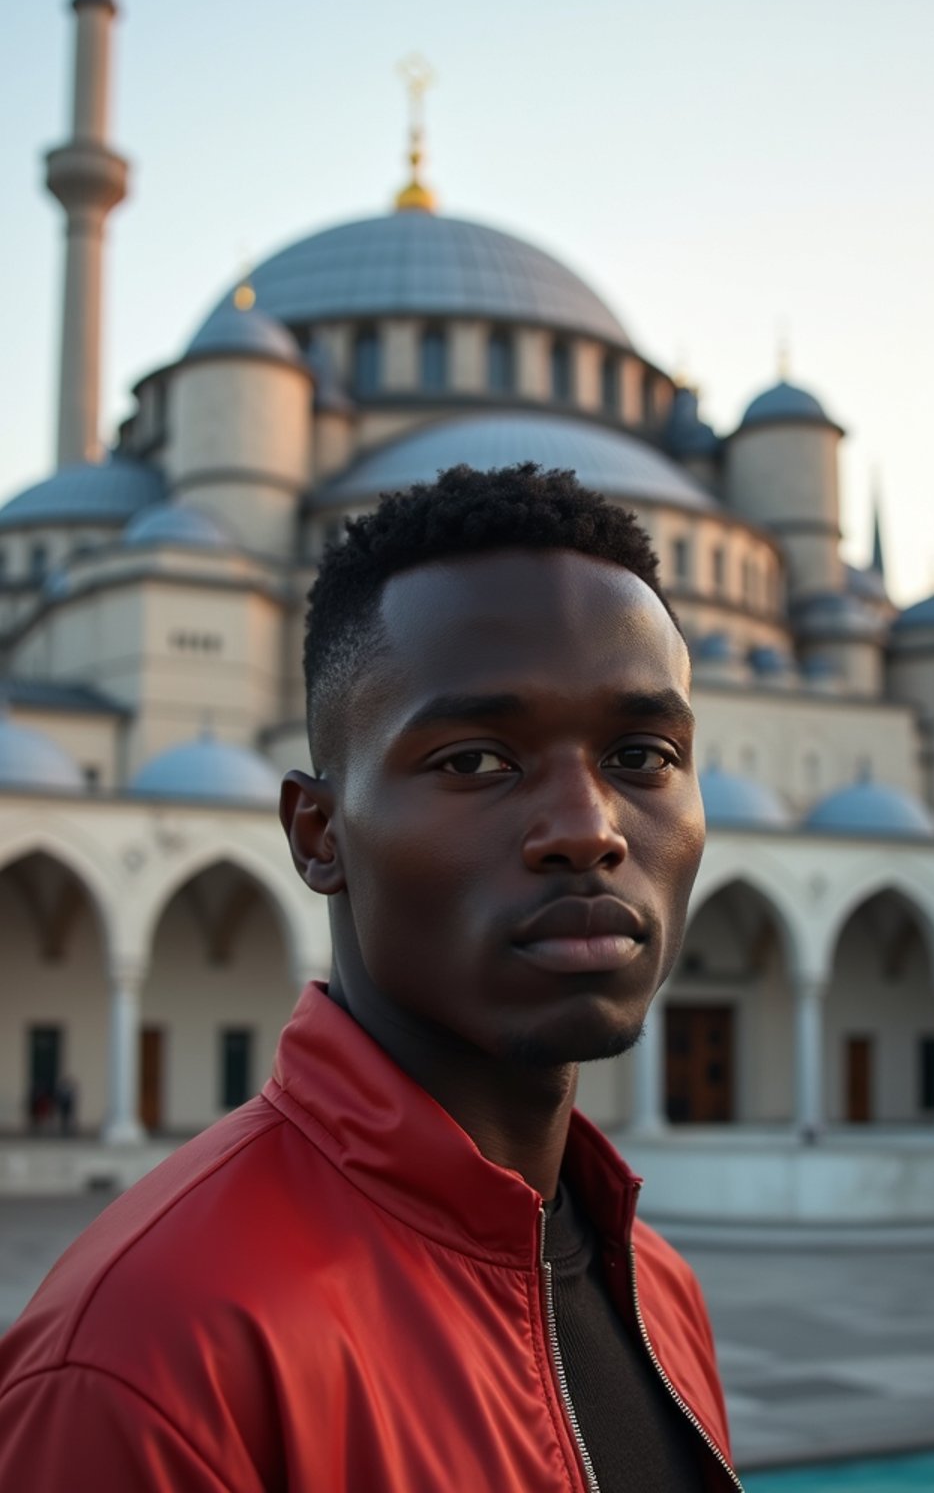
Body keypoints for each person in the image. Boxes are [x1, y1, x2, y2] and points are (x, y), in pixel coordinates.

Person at [0, 465, 739, 1491]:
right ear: (319, 832)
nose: (588, 829)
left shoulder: (659, 1292)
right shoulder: (154, 1360)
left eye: (642, 754)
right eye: (477, 760)